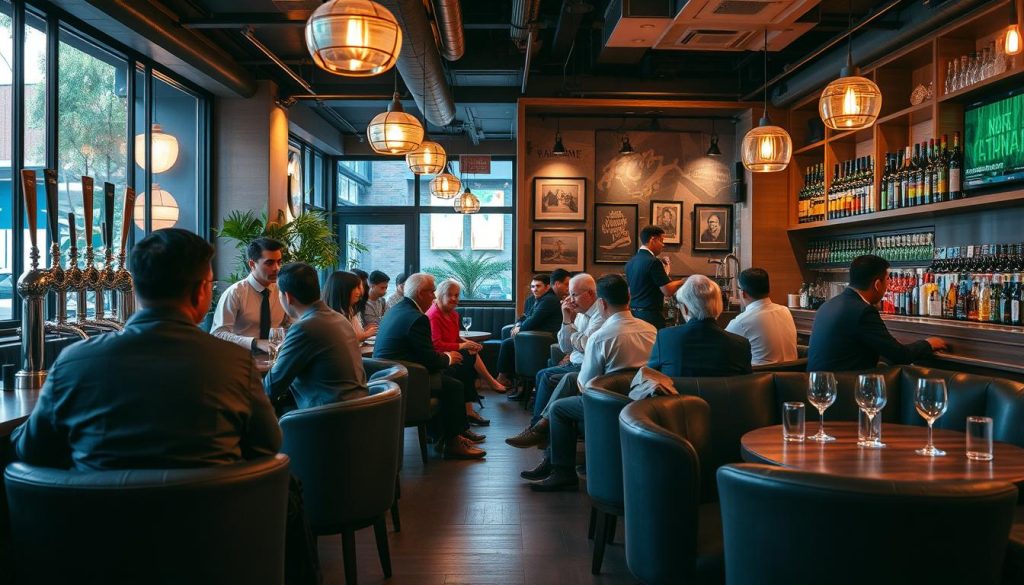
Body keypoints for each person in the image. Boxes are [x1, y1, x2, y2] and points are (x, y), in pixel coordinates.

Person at [526, 274, 657, 490]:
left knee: (559, 408)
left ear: (602, 303)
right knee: (562, 380)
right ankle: (546, 445)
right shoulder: (651, 330)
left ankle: (562, 472)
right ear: (629, 297)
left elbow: (585, 384)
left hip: (606, 405)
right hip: (641, 402)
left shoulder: (601, 336)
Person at [374, 273, 486, 460]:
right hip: (407, 379)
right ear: (420, 293)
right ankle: (453, 443)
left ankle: (442, 434)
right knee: (454, 385)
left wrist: (446, 359)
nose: (434, 296)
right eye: (432, 292)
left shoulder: (397, 309)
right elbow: (429, 359)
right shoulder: (418, 318)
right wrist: (448, 358)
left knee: (450, 373)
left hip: (389, 375)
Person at [506, 273, 604, 448]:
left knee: (546, 376)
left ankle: (538, 430)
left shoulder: (599, 314)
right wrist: (567, 319)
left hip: (585, 366)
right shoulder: (580, 313)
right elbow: (567, 347)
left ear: (590, 293)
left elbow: (586, 345)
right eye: (570, 294)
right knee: (543, 373)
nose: (570, 299)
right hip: (574, 361)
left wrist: (575, 337)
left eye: (574, 294)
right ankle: (538, 429)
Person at [808, 255, 947, 371]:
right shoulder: (864, 312)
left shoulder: (828, 305)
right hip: (843, 391)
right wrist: (928, 344)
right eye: (887, 279)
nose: (888, 285)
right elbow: (899, 355)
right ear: (877, 285)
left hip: (815, 388)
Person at [264, 262, 368, 415]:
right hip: (358, 412)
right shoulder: (339, 318)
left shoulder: (305, 327)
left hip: (326, 419)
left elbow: (271, 387)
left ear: (288, 297)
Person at [426, 279, 503, 426]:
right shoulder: (434, 315)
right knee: (467, 359)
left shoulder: (453, 314)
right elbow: (436, 344)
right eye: (450, 295)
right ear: (440, 295)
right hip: (440, 358)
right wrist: (463, 345)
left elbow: (455, 337)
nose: (454, 299)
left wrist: (469, 344)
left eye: (457, 295)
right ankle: (469, 409)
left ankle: (468, 411)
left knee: (469, 356)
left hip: (453, 354)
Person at [648, 274, 752, 377]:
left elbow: (650, 376)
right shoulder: (741, 345)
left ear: (686, 308)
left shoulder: (665, 338)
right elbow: (746, 384)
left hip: (679, 393)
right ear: (718, 305)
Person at [211, 237, 288, 354]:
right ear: (252, 264)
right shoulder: (235, 293)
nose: (276, 268)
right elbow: (218, 334)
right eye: (269, 263)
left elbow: (290, 324)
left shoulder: (282, 290)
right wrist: (255, 342)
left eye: (279, 262)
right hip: (240, 360)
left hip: (276, 360)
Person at [495, 273, 563, 391]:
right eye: (532, 286)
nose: (534, 289)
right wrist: (518, 324)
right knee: (509, 338)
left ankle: (502, 378)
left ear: (547, 287)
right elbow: (525, 316)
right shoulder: (537, 299)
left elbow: (533, 320)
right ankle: (513, 381)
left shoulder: (549, 300)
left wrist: (520, 329)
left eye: (538, 286)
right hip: (534, 338)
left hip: (546, 340)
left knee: (507, 344)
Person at [725, 268, 799, 366]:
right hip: (793, 375)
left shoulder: (741, 322)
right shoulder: (785, 311)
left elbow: (721, 348)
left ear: (743, 293)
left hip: (761, 378)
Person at [625, 225, 684, 329]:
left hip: (633, 314)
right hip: (650, 316)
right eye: (661, 240)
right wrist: (683, 281)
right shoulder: (654, 262)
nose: (663, 245)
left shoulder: (631, 262)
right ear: (653, 239)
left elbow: (629, 291)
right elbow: (668, 290)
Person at [322, 271, 378, 344]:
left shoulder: (350, 308)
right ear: (343, 290)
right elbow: (344, 342)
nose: (359, 292)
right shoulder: (331, 317)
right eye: (356, 288)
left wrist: (364, 330)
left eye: (359, 287)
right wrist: (365, 335)